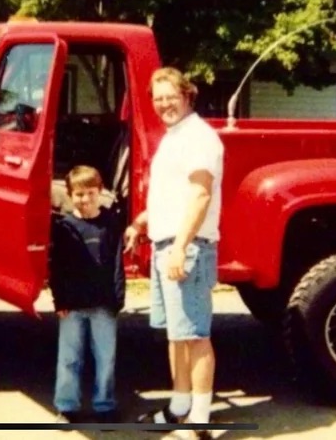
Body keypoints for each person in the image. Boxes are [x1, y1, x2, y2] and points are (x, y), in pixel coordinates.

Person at [125, 67, 223, 440]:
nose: (164, 103)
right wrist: (141, 223)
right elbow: (174, 196)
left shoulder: (198, 136)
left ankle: (199, 421)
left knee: (195, 335)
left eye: (171, 95)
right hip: (168, 243)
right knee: (177, 335)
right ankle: (179, 406)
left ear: (187, 94)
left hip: (188, 246)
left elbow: (200, 194)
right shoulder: (175, 137)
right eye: (158, 97)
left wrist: (181, 247)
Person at [49, 165, 126, 424]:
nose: (85, 199)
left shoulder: (110, 224)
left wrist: (118, 298)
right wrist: (59, 300)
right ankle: (67, 406)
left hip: (104, 303)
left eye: (90, 193)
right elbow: (56, 267)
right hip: (72, 305)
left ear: (100, 191)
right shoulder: (64, 226)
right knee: (69, 358)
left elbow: (117, 262)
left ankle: (104, 405)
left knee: (105, 357)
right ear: (70, 195)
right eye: (79, 194)